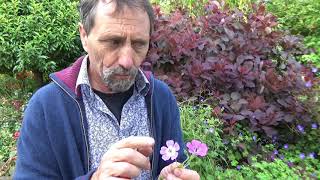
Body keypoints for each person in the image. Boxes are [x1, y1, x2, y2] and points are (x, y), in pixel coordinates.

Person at [14, 0, 200, 179]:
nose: (127, 61)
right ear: (84, 36)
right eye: (113, 42)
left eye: (139, 44)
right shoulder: (47, 107)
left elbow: (174, 163)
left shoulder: (160, 99)